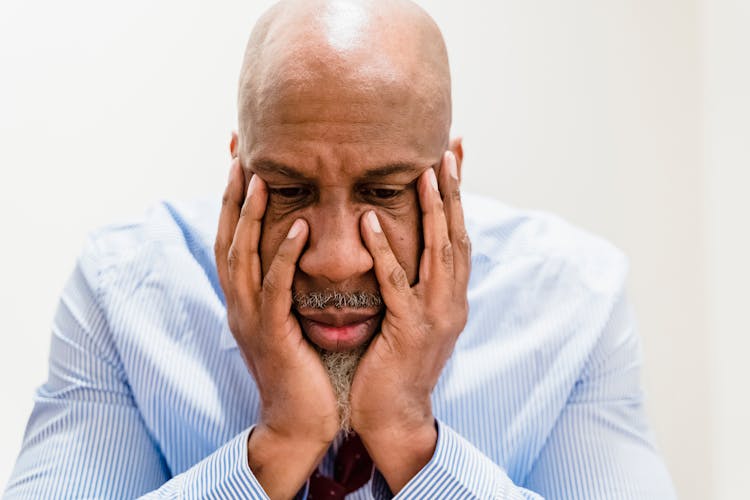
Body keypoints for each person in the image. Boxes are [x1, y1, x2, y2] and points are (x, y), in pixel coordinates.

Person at [5, 0, 676, 498]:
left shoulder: (574, 303)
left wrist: (412, 442)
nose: (334, 259)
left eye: (384, 193)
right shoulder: (124, 293)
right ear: (239, 170)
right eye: (290, 190)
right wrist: (276, 449)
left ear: (452, 176)